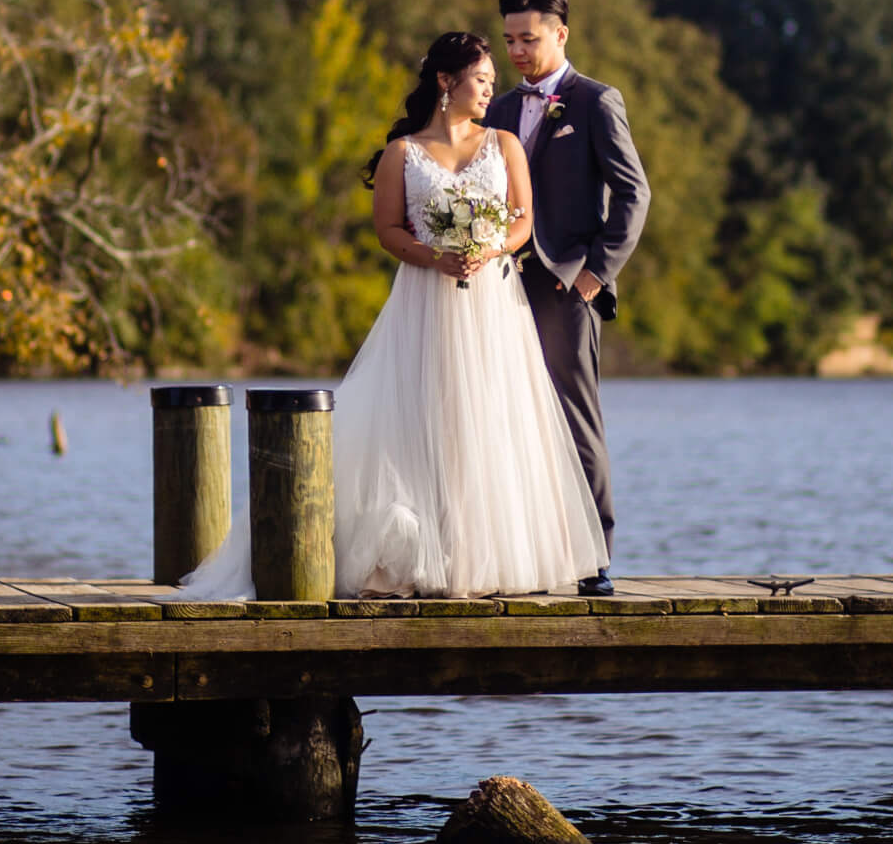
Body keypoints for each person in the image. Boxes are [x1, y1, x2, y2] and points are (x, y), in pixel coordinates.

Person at [171, 31, 606, 600]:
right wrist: (437, 256)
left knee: (489, 419)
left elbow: (524, 221)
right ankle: (422, 553)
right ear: (446, 82)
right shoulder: (404, 153)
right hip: (424, 303)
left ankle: (484, 559)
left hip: (493, 305)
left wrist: (492, 246)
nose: (489, 92)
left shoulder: (504, 144)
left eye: (493, 84)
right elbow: (389, 232)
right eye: (481, 80)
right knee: (421, 417)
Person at [485, 0, 650, 597]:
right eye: (509, 40)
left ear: (561, 34)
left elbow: (635, 195)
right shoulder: (498, 108)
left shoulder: (596, 101)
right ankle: (521, 553)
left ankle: (594, 559)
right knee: (506, 419)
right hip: (498, 289)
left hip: (566, 287)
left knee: (576, 421)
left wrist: (593, 274)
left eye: (529, 38)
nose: (518, 51)